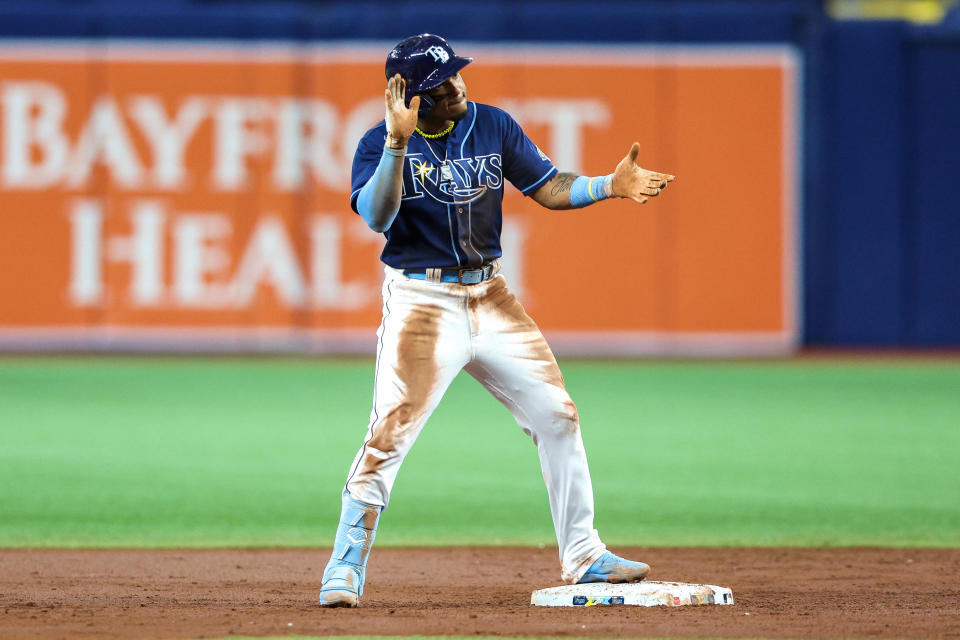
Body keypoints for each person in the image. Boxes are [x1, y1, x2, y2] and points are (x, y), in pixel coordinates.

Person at [318, 34, 675, 607]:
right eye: (442, 82)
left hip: (492, 295)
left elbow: (549, 187)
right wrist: (395, 143)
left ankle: (584, 555)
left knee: (557, 415)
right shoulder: (376, 144)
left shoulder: (492, 124)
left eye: (457, 73)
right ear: (407, 96)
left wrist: (609, 185)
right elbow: (376, 215)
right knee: (390, 434)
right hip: (421, 303)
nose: (458, 84)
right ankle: (345, 564)